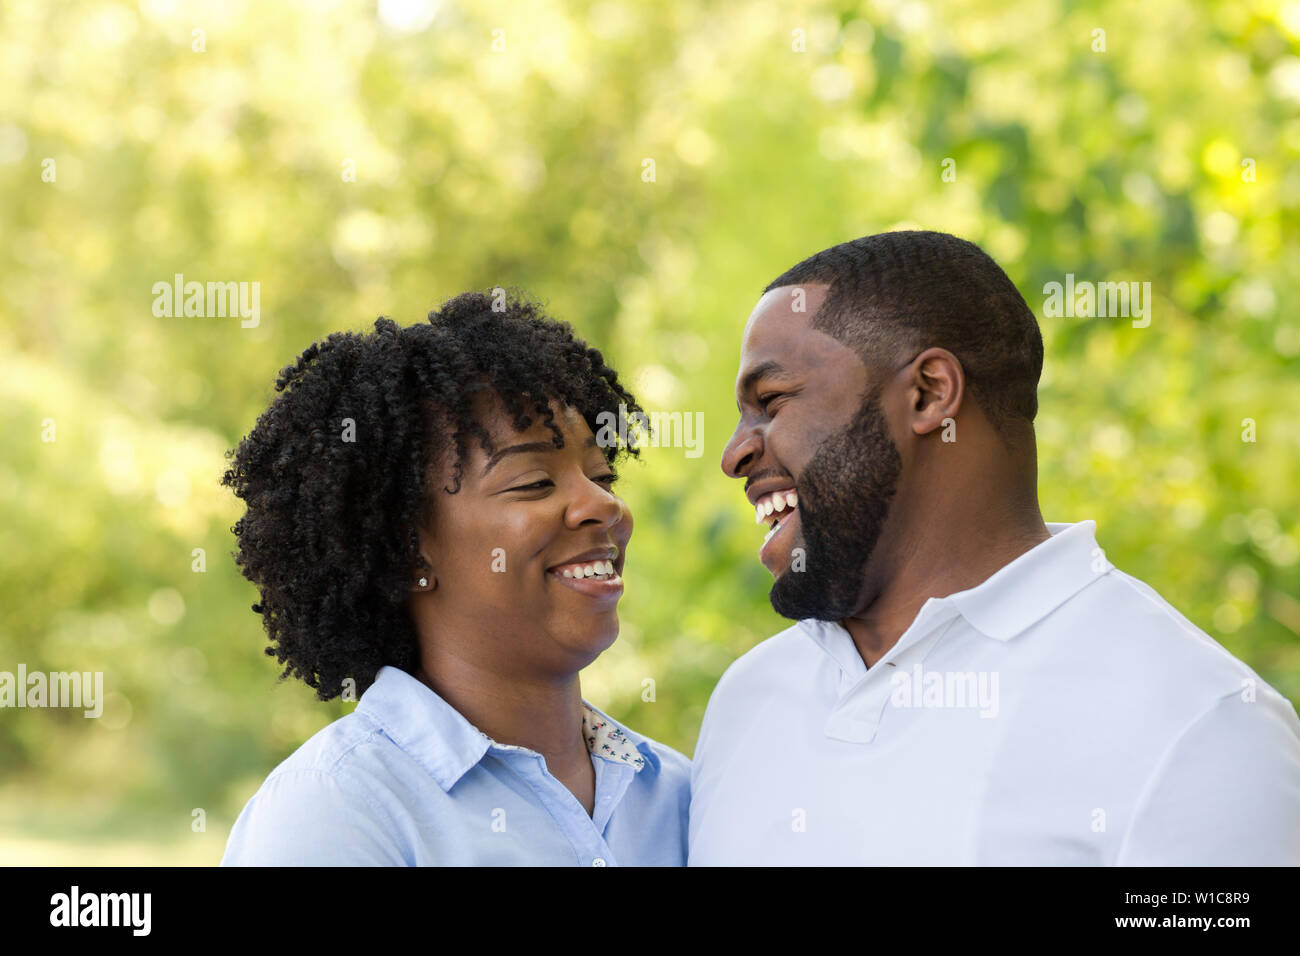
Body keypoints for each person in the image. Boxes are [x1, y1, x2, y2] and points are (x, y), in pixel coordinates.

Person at [689, 230, 1300, 865]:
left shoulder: (1203, 726)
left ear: (929, 393)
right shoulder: (748, 700)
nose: (735, 453)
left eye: (771, 402)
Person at [219, 290, 688, 866]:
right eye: (534, 482)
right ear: (408, 552)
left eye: (603, 475)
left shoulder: (682, 795)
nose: (603, 506)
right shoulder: (336, 812)